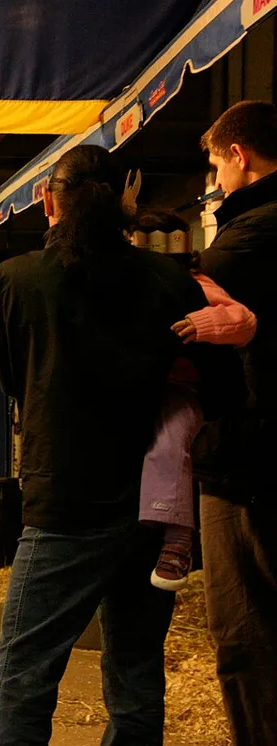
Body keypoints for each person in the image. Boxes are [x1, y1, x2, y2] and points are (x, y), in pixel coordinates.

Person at [0, 144, 240, 746]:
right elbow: (217, 381)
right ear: (128, 199)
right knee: (135, 675)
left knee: (26, 677)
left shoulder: (16, 278)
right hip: (154, 505)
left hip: (63, 500)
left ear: (49, 201)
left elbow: (15, 380)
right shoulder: (170, 280)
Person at [194, 100, 277, 746]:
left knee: (246, 628)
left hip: (252, 460)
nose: (215, 178)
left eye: (216, 163)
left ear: (238, 156)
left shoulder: (254, 231)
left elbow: (178, 303)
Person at [129, 210, 255, 591]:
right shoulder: (126, 283)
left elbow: (243, 319)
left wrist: (203, 324)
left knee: (168, 446)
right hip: (137, 390)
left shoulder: (195, 284)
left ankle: (177, 541)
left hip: (181, 392)